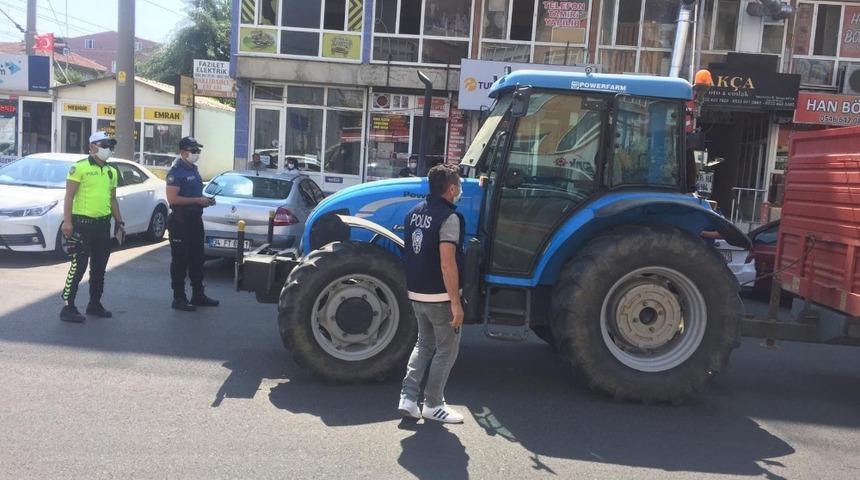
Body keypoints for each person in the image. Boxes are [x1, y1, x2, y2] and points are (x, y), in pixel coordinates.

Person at [398, 164, 465, 424]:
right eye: (458, 186)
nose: (460, 190)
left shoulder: (413, 214)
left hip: (417, 293)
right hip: (440, 297)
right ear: (450, 189)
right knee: (447, 349)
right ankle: (434, 404)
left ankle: (408, 398)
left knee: (423, 344)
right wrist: (456, 303)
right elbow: (447, 263)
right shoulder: (449, 218)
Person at [59, 131, 125, 323]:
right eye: (104, 145)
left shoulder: (111, 171)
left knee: (99, 268)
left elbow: (112, 199)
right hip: (82, 225)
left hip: (103, 226)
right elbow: (69, 196)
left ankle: (94, 304)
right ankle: (68, 307)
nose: (108, 149)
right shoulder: (79, 167)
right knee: (78, 266)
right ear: (92, 147)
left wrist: (120, 222)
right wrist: (67, 221)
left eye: (110, 146)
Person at [166, 136, 219, 311]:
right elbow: (172, 199)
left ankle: (198, 294)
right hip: (181, 221)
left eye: (198, 151)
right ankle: (179, 298)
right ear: (183, 152)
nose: (197, 154)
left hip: (195, 220)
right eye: (193, 151)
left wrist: (205, 200)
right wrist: (197, 200)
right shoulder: (176, 172)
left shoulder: (193, 170)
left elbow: (195, 195)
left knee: (198, 259)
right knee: (180, 261)